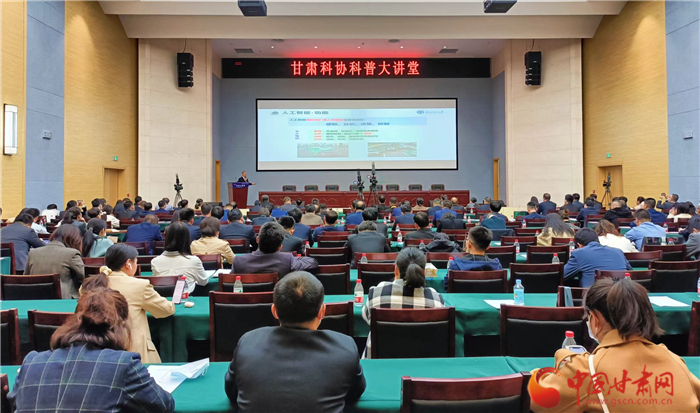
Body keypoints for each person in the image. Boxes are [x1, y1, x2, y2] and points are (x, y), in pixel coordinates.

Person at [530, 278, 700, 413]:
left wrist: (563, 357)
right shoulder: (677, 361)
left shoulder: (587, 369)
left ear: (594, 319)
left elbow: (539, 400)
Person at [7, 287, 174, 412]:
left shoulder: (31, 362)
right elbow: (163, 405)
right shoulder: (124, 365)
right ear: (122, 326)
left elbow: (14, 402)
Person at [225, 271, 365, 412]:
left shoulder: (248, 342)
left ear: (274, 311)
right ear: (322, 312)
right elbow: (354, 393)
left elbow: (232, 391)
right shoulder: (345, 347)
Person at [82, 244, 175, 363]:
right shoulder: (139, 286)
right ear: (128, 263)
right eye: (136, 262)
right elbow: (166, 310)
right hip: (132, 349)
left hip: (97, 349)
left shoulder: (89, 285)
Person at [362, 248, 445, 358]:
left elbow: (367, 318)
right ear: (424, 273)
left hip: (378, 362)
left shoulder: (377, 293)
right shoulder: (436, 300)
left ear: (396, 270)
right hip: (423, 362)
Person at [232, 222, 319, 278]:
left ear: (257, 240)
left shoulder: (238, 262)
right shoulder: (288, 260)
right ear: (280, 247)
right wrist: (294, 258)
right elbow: (313, 263)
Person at [25, 224, 84, 298]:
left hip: (35, 299)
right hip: (65, 301)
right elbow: (84, 278)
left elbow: (25, 279)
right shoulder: (72, 254)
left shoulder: (33, 253)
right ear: (75, 239)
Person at [152, 222, 209, 294]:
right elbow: (203, 282)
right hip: (186, 298)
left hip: (163, 299)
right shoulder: (194, 261)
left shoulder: (155, 261)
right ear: (187, 239)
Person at [564, 229, 632, 287]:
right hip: (620, 294)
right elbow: (630, 271)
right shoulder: (618, 252)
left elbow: (563, 275)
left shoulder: (578, 253)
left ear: (579, 245)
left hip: (594, 296)